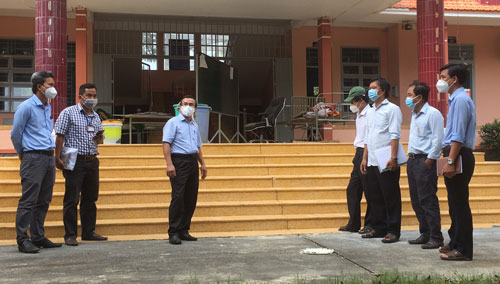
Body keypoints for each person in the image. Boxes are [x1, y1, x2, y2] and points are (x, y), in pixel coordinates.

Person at [10, 71, 62, 253]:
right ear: (39, 87)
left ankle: (38, 236)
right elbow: (15, 133)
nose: (53, 88)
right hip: (33, 157)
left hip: (48, 156)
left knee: (44, 200)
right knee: (29, 200)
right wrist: (22, 152)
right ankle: (22, 239)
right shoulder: (26, 107)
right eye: (50, 85)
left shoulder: (47, 106)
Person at [54, 83, 107, 246]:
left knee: (90, 198)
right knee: (71, 199)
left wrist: (99, 138)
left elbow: (100, 139)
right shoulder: (68, 113)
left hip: (92, 160)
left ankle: (88, 232)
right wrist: (57, 157)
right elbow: (60, 136)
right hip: (74, 161)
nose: (92, 99)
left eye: (94, 96)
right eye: (89, 96)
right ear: (80, 97)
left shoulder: (96, 116)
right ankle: (70, 234)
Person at [438, 63, 476, 261]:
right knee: (454, 204)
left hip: (459, 154)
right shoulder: (455, 100)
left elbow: (458, 135)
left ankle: (463, 249)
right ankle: (454, 242)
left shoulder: (461, 100)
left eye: (444, 77)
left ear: (455, 79)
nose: (440, 81)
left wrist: (451, 160)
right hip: (454, 153)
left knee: (460, 204)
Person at [360, 77, 403, 243]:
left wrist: (393, 158)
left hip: (386, 159)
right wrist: (364, 158)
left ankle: (393, 230)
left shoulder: (392, 109)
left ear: (382, 91)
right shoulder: (370, 111)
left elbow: (395, 135)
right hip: (371, 160)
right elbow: (367, 137)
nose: (370, 90)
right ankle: (378, 227)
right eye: (369, 87)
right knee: (374, 196)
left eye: (373, 87)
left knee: (390, 195)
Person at [162, 95, 207, 245]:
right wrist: (169, 164)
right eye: (185, 104)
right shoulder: (173, 123)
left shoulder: (194, 125)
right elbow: (166, 144)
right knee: (178, 197)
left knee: (190, 198)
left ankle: (184, 230)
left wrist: (203, 164)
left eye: (191, 104)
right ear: (179, 107)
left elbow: (198, 146)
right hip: (178, 161)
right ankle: (173, 231)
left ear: (195, 109)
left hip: (192, 161)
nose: (188, 106)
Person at [405, 81, 444, 249]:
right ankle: (425, 233)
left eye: (409, 95)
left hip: (425, 161)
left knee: (427, 199)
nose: (407, 98)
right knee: (416, 200)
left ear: (419, 97)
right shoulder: (414, 113)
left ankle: (436, 236)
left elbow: (438, 138)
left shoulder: (433, 114)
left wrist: (431, 159)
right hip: (413, 160)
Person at [338, 86, 372, 234]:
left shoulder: (370, 113)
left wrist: (365, 157)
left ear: (361, 100)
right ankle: (354, 223)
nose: (352, 104)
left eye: (353, 101)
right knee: (352, 189)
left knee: (369, 190)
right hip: (358, 152)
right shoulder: (359, 114)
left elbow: (369, 138)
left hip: (367, 152)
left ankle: (370, 224)